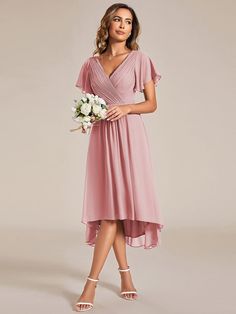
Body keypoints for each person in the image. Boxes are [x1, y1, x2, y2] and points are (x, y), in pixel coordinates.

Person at [73, 2, 164, 312]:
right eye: (117, 19)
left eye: (128, 21)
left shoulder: (140, 59)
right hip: (102, 139)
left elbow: (151, 104)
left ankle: (91, 283)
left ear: (131, 28)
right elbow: (91, 102)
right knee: (112, 209)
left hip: (129, 137)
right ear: (107, 25)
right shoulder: (90, 64)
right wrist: (87, 119)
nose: (123, 25)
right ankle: (126, 276)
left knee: (113, 213)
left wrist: (126, 107)